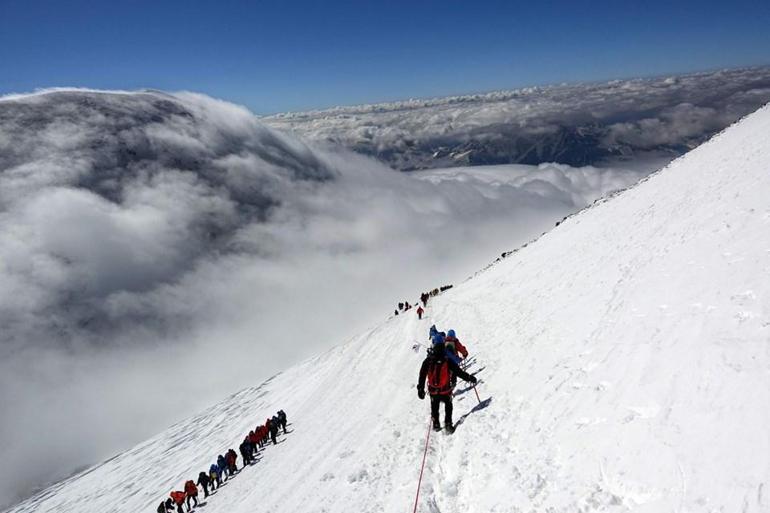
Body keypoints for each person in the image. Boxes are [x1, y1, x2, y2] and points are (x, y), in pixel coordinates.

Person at [417, 335, 477, 433]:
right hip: (445, 390)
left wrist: (420, 389)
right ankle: (448, 424)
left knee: (434, 406)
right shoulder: (447, 360)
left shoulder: (428, 360)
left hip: (433, 391)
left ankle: (436, 423)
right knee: (448, 405)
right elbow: (458, 372)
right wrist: (469, 378)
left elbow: (422, 375)